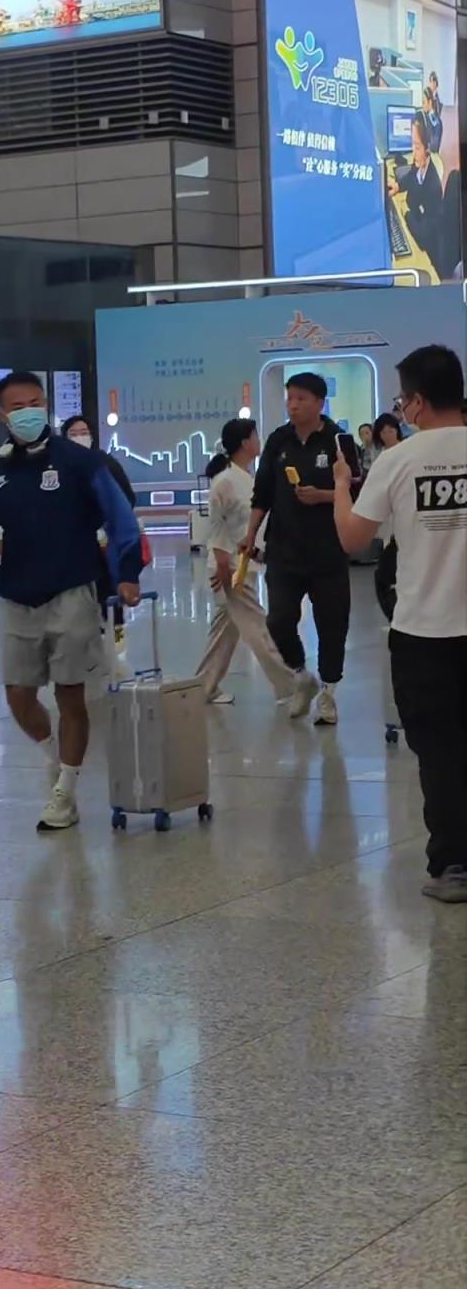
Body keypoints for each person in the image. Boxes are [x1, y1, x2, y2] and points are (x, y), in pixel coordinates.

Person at [0, 371, 142, 832]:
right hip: (17, 595)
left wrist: (127, 574)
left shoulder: (79, 462)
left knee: (69, 694)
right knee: (18, 695)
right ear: (1, 415)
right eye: (17, 407)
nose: (28, 412)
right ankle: (54, 755)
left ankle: (66, 789)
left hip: (72, 590)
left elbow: (121, 518)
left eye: (35, 403)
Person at [333, 344, 467, 904]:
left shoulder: (398, 460)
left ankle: (454, 866)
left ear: (416, 402)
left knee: (439, 751)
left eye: (402, 399)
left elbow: (352, 538)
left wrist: (341, 487)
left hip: (425, 632)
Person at [243, 372, 359, 726]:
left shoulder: (339, 441)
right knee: (278, 619)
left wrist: (323, 496)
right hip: (284, 549)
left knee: (332, 624)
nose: (292, 405)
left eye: (301, 399)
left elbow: (357, 491)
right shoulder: (278, 440)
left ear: (320, 403)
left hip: (328, 549)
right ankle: (300, 675)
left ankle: (328, 694)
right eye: (289, 398)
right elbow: (262, 492)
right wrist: (250, 534)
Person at [195, 419, 293, 707]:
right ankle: (288, 684)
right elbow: (216, 526)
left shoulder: (247, 477)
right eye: (255, 436)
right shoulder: (225, 481)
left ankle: (204, 687)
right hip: (230, 567)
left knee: (226, 631)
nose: (258, 440)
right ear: (244, 443)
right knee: (256, 625)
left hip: (243, 562)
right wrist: (222, 563)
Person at [62, 414, 140, 649]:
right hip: (74, 551)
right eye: (74, 434)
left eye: (84, 432)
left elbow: (126, 499)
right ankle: (88, 650)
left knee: (112, 600)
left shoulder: (105, 464)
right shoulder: (60, 468)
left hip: (107, 547)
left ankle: (118, 647)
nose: (80, 437)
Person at [388, 116, 443, 273]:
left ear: (427, 148)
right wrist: (398, 186)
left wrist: (405, 213)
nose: (413, 153)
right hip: (414, 224)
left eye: (417, 147)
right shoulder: (419, 164)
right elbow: (411, 176)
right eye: (413, 146)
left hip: (427, 253)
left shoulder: (433, 187)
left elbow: (423, 235)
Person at [421, 85, 443, 154]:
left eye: (423, 102)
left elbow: (434, 147)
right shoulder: (428, 117)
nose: (422, 105)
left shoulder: (435, 121)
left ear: (430, 102)